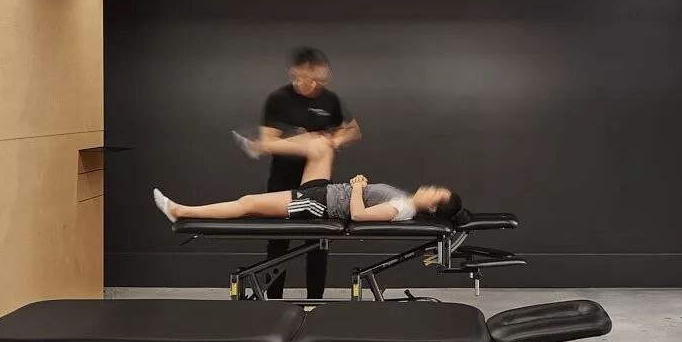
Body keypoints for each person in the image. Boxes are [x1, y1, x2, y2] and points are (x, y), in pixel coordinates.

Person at [153, 131, 461, 226]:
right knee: (321, 143)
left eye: (436, 193)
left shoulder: (402, 208)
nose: (431, 188)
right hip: (325, 192)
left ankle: (181, 211)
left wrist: (357, 187)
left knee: (247, 204)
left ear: (433, 207)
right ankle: (260, 146)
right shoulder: (404, 198)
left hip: (317, 205)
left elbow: (358, 215)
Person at [245, 47, 361, 300]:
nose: (315, 85)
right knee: (278, 243)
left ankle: (314, 302)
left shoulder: (330, 100)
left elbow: (353, 130)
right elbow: (267, 142)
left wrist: (334, 140)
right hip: (283, 181)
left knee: (318, 243)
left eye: (321, 80)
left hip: (318, 185)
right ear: (295, 73)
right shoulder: (278, 100)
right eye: (310, 79)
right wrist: (305, 143)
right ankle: (274, 302)